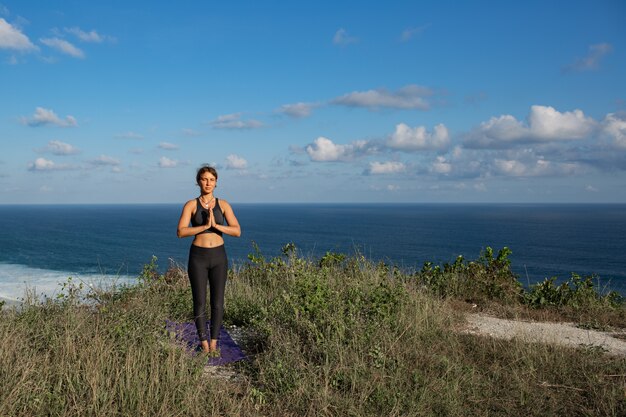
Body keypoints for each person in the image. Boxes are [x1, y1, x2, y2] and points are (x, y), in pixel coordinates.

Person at [177, 165, 241, 354]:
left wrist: (216, 226)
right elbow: (180, 231)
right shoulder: (190, 204)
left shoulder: (224, 205)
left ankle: (214, 342)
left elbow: (237, 231)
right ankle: (204, 343)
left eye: (211, 180)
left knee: (218, 302)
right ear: (198, 181)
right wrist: (204, 226)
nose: (208, 183)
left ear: (216, 183)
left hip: (219, 257)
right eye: (204, 179)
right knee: (199, 302)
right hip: (198, 257)